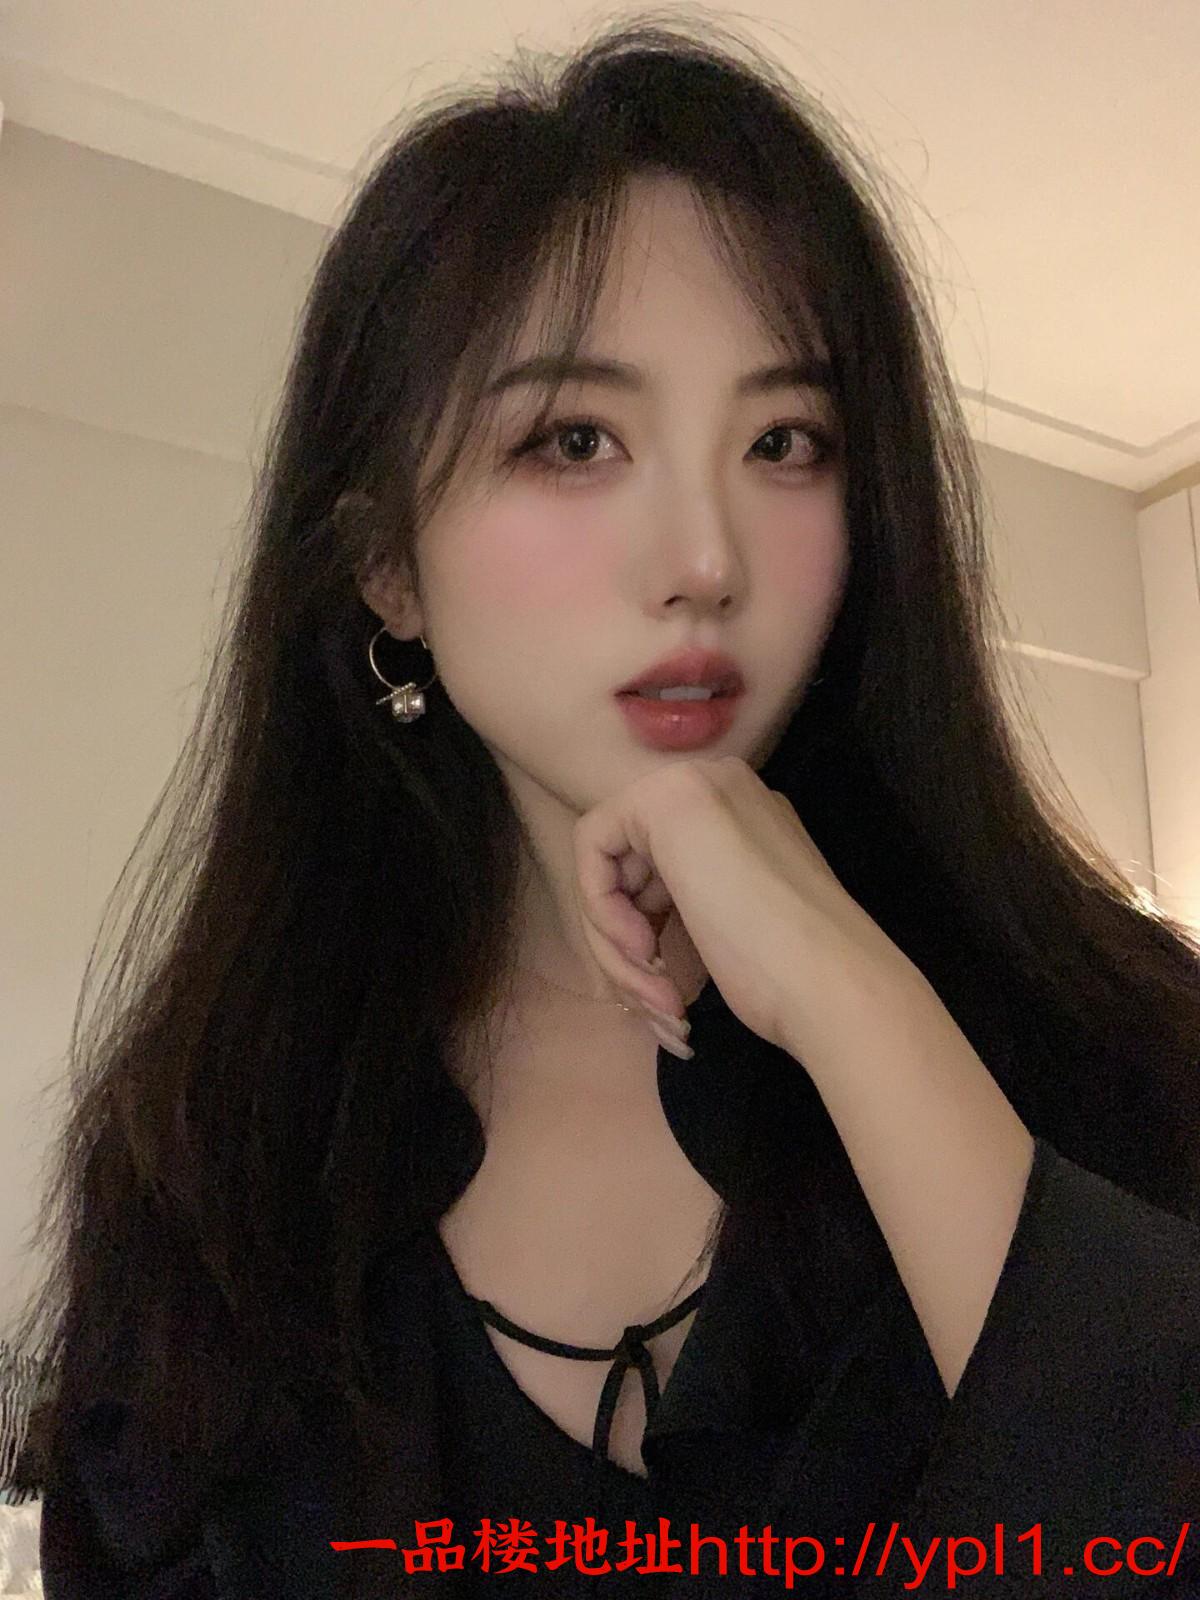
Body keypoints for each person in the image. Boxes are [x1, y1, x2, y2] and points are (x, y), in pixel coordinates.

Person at [3, 14, 1199, 1598]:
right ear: (385, 565)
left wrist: (857, 1004)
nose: (704, 558)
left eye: (784, 442)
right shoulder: (216, 1165)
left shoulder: (1122, 1038)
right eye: (575, 440)